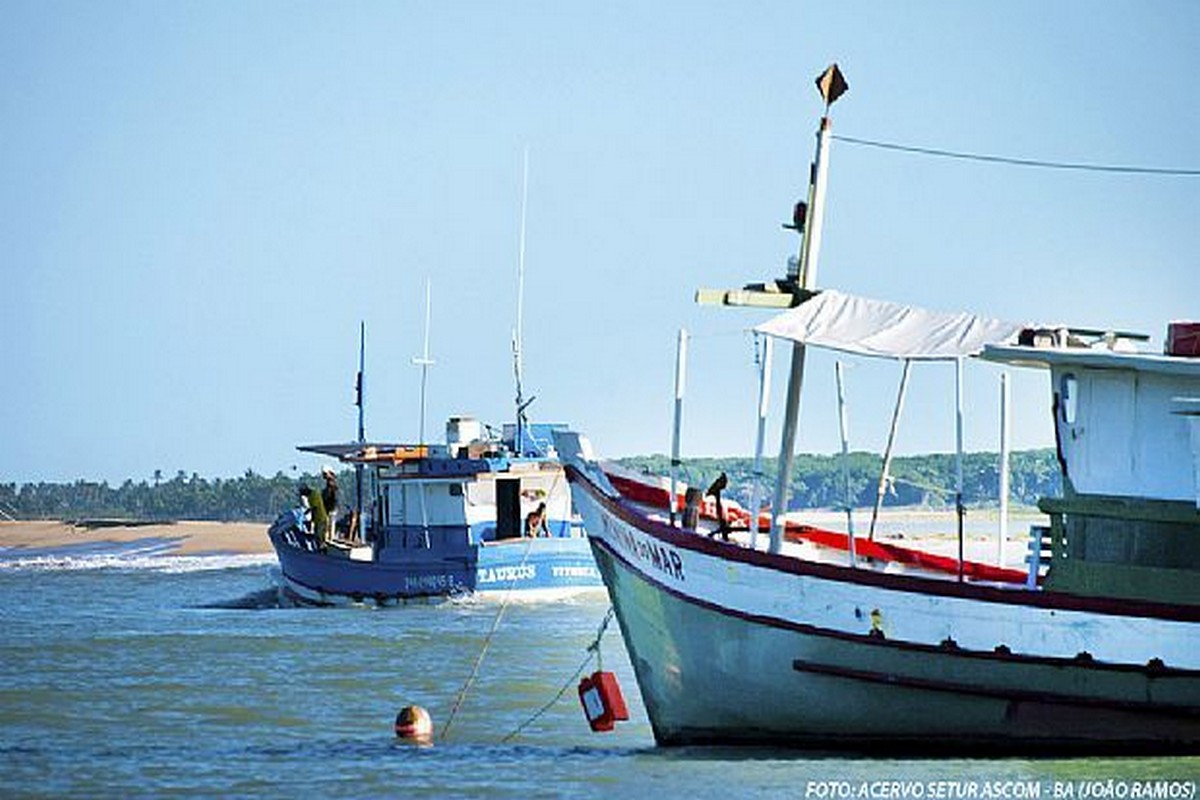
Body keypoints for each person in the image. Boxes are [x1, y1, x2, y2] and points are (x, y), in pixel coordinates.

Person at [299, 485, 330, 550]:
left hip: (321, 518)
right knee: (318, 535)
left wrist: (309, 515)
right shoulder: (311, 496)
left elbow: (314, 507)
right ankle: (320, 550)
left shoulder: (314, 495)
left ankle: (322, 551)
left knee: (319, 536)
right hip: (318, 519)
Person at [321, 466, 339, 541]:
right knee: (328, 525)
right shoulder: (331, 483)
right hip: (330, 508)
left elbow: (332, 495)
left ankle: (328, 540)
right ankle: (328, 539)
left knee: (329, 525)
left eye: (325, 474)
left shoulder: (331, 483)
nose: (324, 475)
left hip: (331, 508)